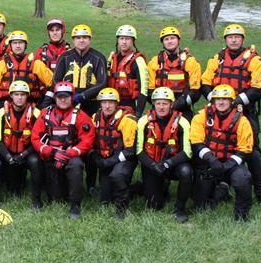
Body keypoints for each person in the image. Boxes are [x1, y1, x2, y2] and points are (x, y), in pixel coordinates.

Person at [201, 23, 261, 209]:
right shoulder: (216, 59)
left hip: (244, 111)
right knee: (217, 146)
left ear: (242, 40)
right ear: (225, 40)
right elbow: (205, 82)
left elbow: (259, 88)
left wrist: (237, 101)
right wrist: (214, 100)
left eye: (237, 37)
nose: (233, 39)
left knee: (252, 151)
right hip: (219, 111)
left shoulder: (254, 61)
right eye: (230, 37)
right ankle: (220, 185)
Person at [31, 81, 95, 218]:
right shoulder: (45, 114)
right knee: (56, 198)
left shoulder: (81, 116)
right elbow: (35, 138)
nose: (63, 99)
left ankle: (75, 206)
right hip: (50, 158)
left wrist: (68, 154)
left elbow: (88, 141)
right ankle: (36, 199)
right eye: (60, 96)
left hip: (70, 158)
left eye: (66, 96)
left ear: (72, 97)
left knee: (77, 164)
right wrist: (52, 152)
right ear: (54, 97)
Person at [190, 84, 254, 221]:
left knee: (242, 178)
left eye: (225, 99)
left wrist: (227, 165)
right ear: (213, 101)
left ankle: (242, 215)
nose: (221, 102)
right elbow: (196, 141)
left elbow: (245, 149)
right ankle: (220, 190)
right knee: (199, 205)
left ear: (232, 101)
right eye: (217, 99)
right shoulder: (201, 116)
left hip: (231, 162)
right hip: (209, 161)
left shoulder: (242, 121)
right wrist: (212, 160)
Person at [136, 87, 193, 223]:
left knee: (186, 171)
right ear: (153, 104)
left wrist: (168, 163)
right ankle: (153, 186)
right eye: (158, 103)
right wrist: (152, 165)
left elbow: (188, 152)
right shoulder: (143, 121)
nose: (161, 107)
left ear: (171, 104)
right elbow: (139, 151)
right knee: (154, 205)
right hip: (153, 164)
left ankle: (180, 209)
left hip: (173, 164)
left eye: (165, 103)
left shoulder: (183, 122)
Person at [88, 87, 138, 218]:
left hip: (123, 159)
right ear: (100, 104)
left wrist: (110, 162)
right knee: (105, 199)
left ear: (116, 104)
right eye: (104, 102)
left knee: (117, 175)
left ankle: (121, 209)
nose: (107, 106)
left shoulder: (127, 120)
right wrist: (97, 158)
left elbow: (130, 151)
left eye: (111, 102)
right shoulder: (95, 117)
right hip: (106, 158)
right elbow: (91, 141)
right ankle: (135, 189)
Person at [0, 81, 44, 206]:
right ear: (11, 96)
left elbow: (39, 140)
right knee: (14, 188)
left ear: (27, 96)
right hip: (8, 153)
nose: (19, 98)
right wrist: (8, 157)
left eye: (23, 94)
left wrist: (23, 155)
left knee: (35, 162)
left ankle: (36, 199)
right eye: (16, 94)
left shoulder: (36, 113)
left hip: (28, 152)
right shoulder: (1, 113)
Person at [47, 24, 107, 115]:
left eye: (85, 37)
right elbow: (56, 80)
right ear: (73, 40)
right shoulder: (64, 57)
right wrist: (68, 94)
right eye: (78, 38)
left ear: (90, 39)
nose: (81, 40)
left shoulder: (99, 58)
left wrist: (83, 95)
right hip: (68, 102)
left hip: (92, 103)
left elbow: (102, 83)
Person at [146, 26, 201, 120]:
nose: (170, 41)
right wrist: (162, 104)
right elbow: (149, 90)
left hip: (183, 107)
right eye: (166, 39)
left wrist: (177, 104)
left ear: (178, 40)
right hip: (160, 107)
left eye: (172, 38)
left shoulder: (190, 61)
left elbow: (195, 91)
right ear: (162, 43)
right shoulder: (154, 62)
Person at [0, 30, 54, 109]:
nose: (18, 46)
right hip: (6, 107)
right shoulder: (2, 65)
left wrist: (44, 105)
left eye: (20, 43)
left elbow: (52, 83)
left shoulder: (36, 64)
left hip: (31, 108)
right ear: (10, 45)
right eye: (15, 43)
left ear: (25, 45)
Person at [107, 25, 149, 115]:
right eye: (122, 39)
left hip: (130, 105)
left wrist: (138, 113)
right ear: (118, 40)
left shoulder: (138, 60)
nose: (124, 42)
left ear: (133, 41)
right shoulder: (112, 59)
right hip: (111, 104)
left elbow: (143, 90)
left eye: (128, 39)